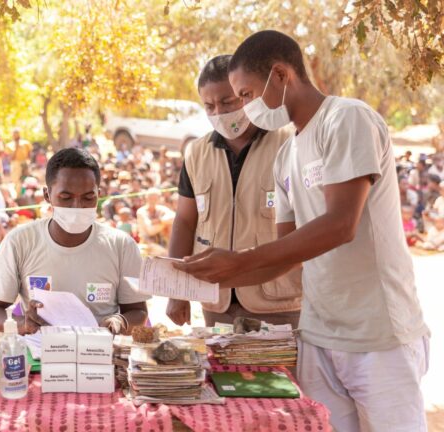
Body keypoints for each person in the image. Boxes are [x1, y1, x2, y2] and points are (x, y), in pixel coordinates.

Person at [176, 30, 429, 432]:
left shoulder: (346, 118)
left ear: (280, 75)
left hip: (377, 335)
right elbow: (285, 254)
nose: (244, 107)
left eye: (245, 95)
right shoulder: (287, 154)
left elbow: (340, 225)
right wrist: (214, 276)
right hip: (319, 333)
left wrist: (238, 261)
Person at [167, 55, 301, 329]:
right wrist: (176, 290)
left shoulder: (289, 144)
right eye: (209, 106)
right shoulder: (196, 153)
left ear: (247, 95)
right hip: (216, 302)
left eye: (227, 102)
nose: (219, 112)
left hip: (279, 303)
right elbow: (185, 220)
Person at [0, 148, 150, 335]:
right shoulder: (19, 242)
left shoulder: (122, 246)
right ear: (47, 195)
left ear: (99, 194)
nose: (77, 206)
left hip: (100, 349)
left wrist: (120, 321)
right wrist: (23, 324)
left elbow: (138, 311)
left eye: (88, 197)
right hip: (40, 350)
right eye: (66, 197)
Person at [9, 128, 32, 194]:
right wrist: (16, 147)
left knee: (26, 179)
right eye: (14, 134)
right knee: (17, 181)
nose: (16, 135)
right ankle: (18, 195)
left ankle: (27, 194)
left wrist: (28, 164)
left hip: (25, 163)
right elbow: (11, 158)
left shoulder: (26, 143)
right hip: (15, 164)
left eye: (17, 134)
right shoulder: (10, 145)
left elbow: (29, 155)